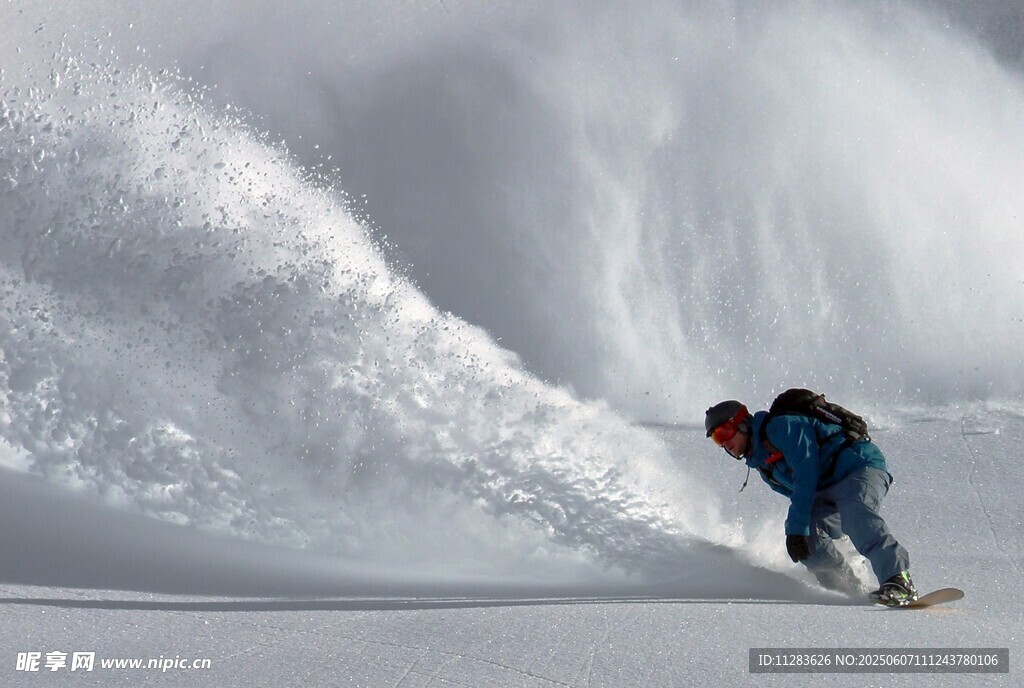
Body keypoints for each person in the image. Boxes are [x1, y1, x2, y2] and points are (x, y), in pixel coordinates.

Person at [704, 399, 916, 605]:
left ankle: (898, 580)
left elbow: (806, 473)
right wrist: (801, 531)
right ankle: (848, 589)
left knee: (854, 511)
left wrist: (796, 528)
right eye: (716, 439)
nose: (724, 443)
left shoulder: (782, 427)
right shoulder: (764, 466)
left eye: (724, 433)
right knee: (809, 538)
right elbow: (801, 497)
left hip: (857, 467)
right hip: (826, 491)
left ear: (742, 424)